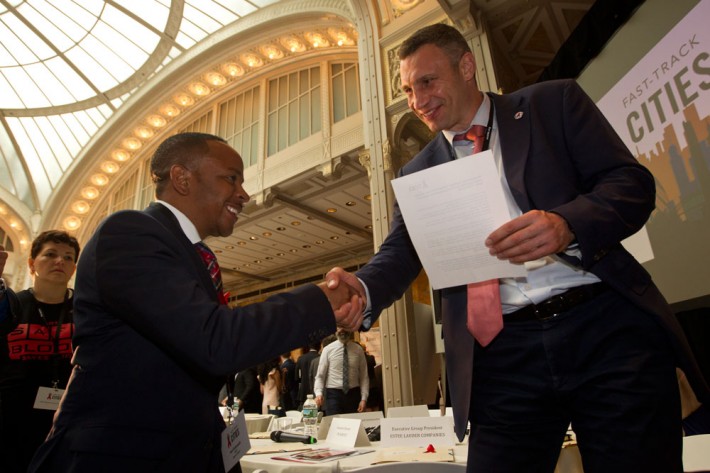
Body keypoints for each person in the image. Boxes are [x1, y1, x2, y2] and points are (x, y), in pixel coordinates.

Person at [325, 23, 710, 473]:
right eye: (409, 90)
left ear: (466, 66)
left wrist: (567, 224)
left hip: (605, 332)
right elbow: (400, 251)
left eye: (427, 81)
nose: (417, 100)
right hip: (503, 356)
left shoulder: (553, 104)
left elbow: (631, 185)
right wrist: (363, 288)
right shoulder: (418, 172)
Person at [27, 132, 363, 473]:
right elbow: (215, 340)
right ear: (182, 178)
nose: (243, 194)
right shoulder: (128, 233)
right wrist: (320, 300)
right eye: (231, 178)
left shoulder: (191, 256)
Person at [0, 231, 80, 473]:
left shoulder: (85, 310)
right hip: (11, 418)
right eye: (51, 254)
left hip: (66, 422)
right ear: (32, 263)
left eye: (68, 257)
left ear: (74, 268)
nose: (60, 261)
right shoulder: (12, 305)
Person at [313, 329, 368, 415]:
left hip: (354, 395)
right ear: (335, 330)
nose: (342, 330)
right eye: (339, 327)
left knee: (353, 423)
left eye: (345, 327)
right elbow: (320, 376)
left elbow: (364, 376)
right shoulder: (328, 350)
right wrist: (318, 393)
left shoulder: (358, 350)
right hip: (334, 396)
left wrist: (364, 399)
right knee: (334, 422)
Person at [295, 342, 319, 409]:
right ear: (319, 346)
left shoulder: (301, 358)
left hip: (303, 390)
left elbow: (296, 377)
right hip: (316, 390)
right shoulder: (320, 357)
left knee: (304, 412)